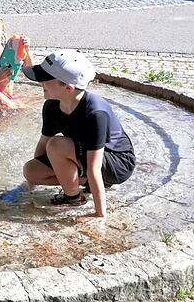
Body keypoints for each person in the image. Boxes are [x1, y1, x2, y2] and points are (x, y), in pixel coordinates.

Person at [19, 49, 137, 221]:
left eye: (45, 79)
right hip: (82, 153)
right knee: (30, 170)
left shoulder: (95, 112)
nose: (40, 83)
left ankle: (73, 197)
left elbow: (94, 167)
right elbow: (42, 146)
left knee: (57, 145)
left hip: (116, 162)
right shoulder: (51, 106)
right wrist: (29, 186)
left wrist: (99, 214)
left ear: (67, 87)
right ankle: (82, 182)